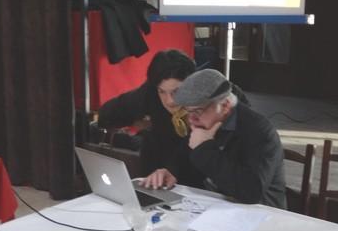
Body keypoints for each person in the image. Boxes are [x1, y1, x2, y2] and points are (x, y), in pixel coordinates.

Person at [172, 68, 286, 209]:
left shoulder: (259, 131)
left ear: (225, 105)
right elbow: (185, 157)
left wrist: (204, 149)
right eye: (188, 111)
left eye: (197, 110)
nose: (192, 119)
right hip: (216, 206)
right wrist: (171, 172)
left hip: (261, 212)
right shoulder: (203, 121)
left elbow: (251, 192)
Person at [96, 49, 204, 189]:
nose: (170, 101)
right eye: (162, 92)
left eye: (176, 91)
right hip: (153, 177)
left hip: (195, 181)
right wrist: (136, 121)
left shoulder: (204, 98)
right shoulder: (149, 93)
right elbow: (107, 114)